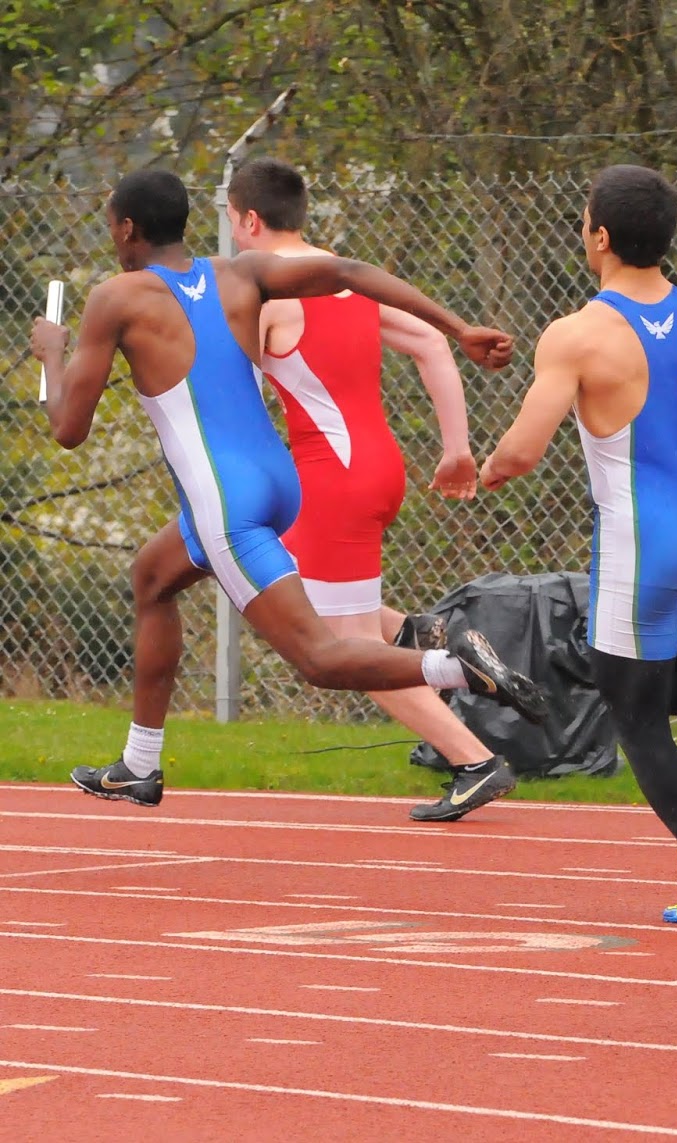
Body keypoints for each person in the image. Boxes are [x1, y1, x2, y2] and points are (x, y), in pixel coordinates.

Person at [31, 168, 547, 812]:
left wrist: (51, 356)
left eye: (111, 225)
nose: (112, 236)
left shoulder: (116, 297)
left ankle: (456, 668)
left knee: (321, 658)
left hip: (229, 504)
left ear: (128, 228)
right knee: (152, 579)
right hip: (280, 483)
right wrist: (458, 326)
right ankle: (138, 765)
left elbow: (68, 431)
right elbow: (351, 274)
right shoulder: (238, 273)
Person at [480, 164, 677, 924]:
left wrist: (483, 470)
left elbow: (523, 451)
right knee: (662, 673)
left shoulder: (577, 334)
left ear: (598, 237)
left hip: (639, 543)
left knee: (636, 718)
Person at [225, 157, 511, 824]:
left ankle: (473, 756)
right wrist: (455, 448)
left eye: (234, 226)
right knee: (297, 597)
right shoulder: (348, 281)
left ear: (251, 220)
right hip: (376, 468)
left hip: (334, 479)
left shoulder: (267, 295)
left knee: (342, 650)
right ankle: (422, 633)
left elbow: (234, 397)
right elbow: (434, 347)